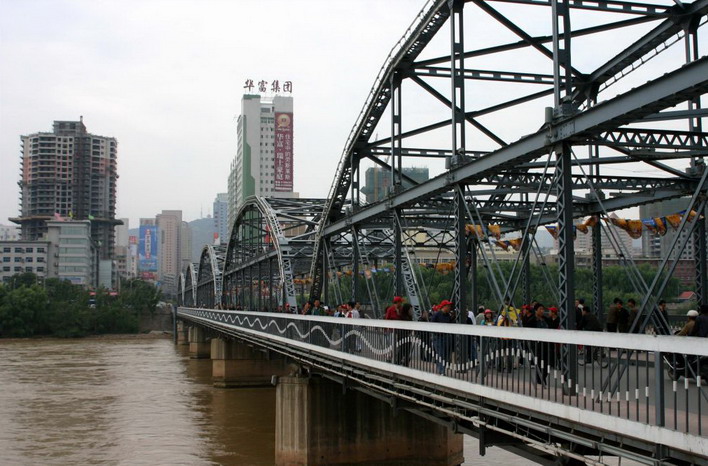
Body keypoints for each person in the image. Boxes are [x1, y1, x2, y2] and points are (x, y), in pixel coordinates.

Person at [431, 300, 454, 375]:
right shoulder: (437, 315)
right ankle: (441, 371)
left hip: (446, 337)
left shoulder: (448, 315)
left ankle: (442, 369)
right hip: (438, 337)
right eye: (448, 306)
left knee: (447, 355)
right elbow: (432, 325)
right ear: (444, 307)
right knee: (441, 354)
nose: (450, 307)